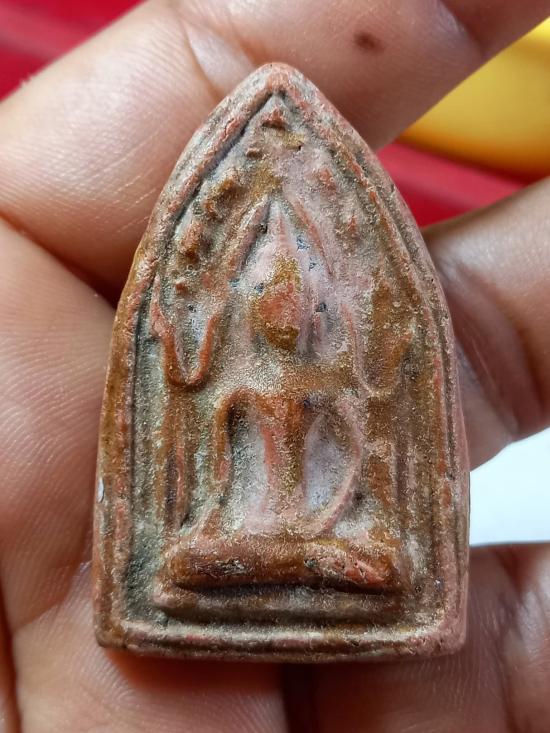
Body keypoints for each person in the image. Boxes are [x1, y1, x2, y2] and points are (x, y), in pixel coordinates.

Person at [0, 1, 549, 730]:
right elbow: (211, 482)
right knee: (189, 559)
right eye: (267, 300)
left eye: (297, 302)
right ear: (248, 308)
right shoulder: (234, 387)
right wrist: (226, 521)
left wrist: (330, 519)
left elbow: (358, 456)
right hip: (241, 536)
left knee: (380, 560)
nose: (283, 315)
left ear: (320, 306)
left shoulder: (329, 380)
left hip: (328, 542)